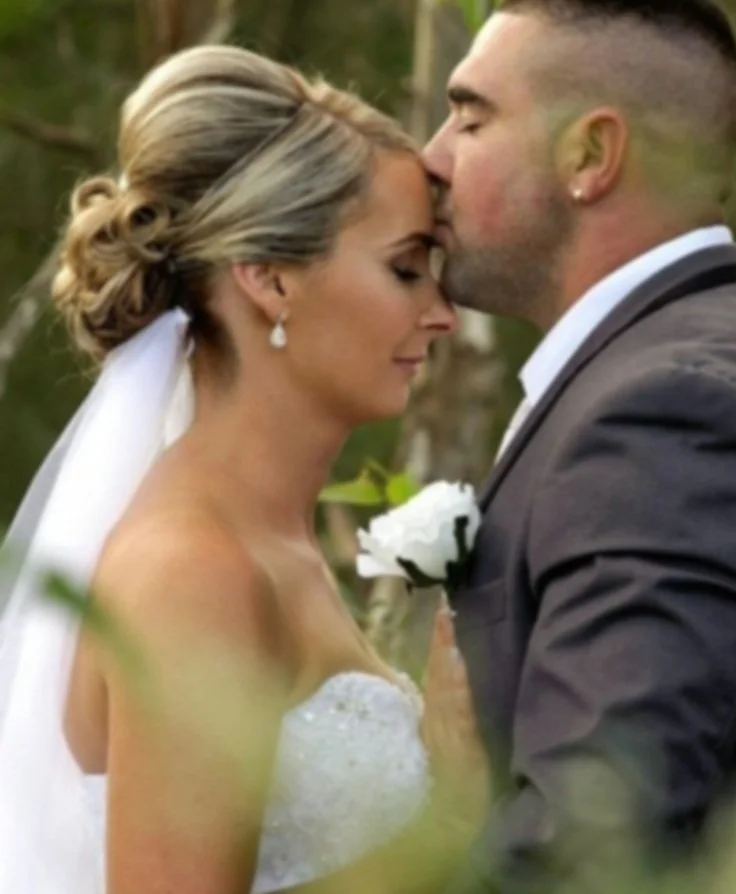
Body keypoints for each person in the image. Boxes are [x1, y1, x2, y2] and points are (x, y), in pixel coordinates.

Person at [422, 0, 736, 889]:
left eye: (472, 117)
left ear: (591, 157)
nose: (432, 156)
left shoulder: (676, 415)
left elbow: (589, 849)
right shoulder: (699, 362)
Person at [0, 45, 490, 894]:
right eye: (406, 268)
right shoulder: (191, 570)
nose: (442, 313)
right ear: (269, 280)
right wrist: (448, 819)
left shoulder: (267, 540)